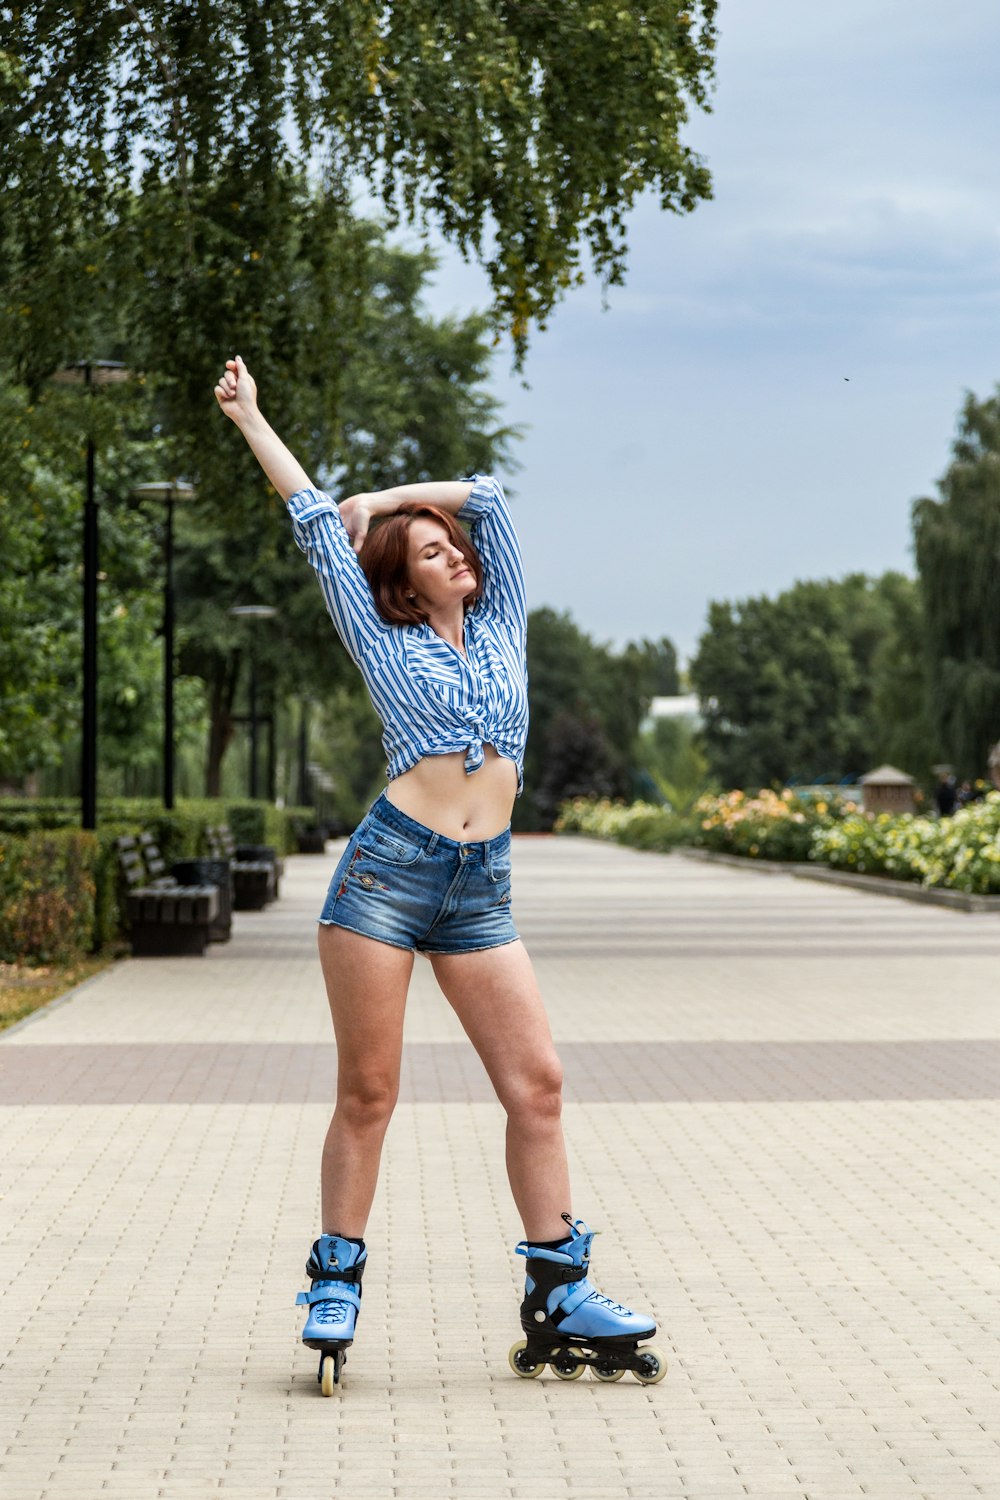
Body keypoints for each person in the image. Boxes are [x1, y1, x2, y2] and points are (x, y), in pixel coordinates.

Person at [214, 356, 665, 1392]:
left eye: (453, 546)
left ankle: (558, 1287)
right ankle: (335, 1277)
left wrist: (403, 497)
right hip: (384, 880)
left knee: (537, 1085)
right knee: (370, 1092)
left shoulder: (502, 622)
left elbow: (494, 500)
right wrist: (254, 420)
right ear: (399, 577)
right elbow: (315, 521)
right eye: (429, 550)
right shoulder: (379, 637)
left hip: (481, 888)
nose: (455, 554)